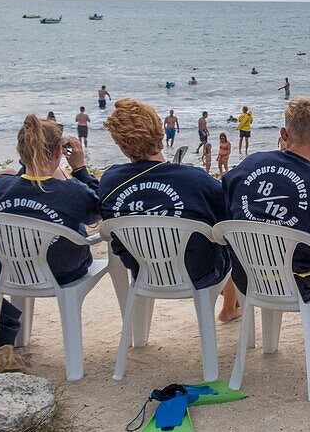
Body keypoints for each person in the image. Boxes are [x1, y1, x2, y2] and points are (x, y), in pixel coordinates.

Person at [222, 97, 310, 337]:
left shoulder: (248, 165)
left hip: (247, 278)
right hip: (299, 284)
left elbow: (225, 210)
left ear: (284, 134)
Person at [98, 98, 234, 317]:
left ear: (121, 144)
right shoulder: (195, 180)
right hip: (198, 272)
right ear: (160, 130)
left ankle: (230, 306)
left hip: (143, 269)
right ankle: (231, 306)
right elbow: (227, 220)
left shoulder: (110, 181)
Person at [0, 115, 100, 287]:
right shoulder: (71, 190)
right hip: (62, 273)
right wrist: (80, 169)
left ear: (21, 151)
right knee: (74, 220)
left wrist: (31, 157)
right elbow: (97, 212)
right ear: (59, 152)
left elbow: (23, 185)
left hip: (9, 271)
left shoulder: (0, 184)